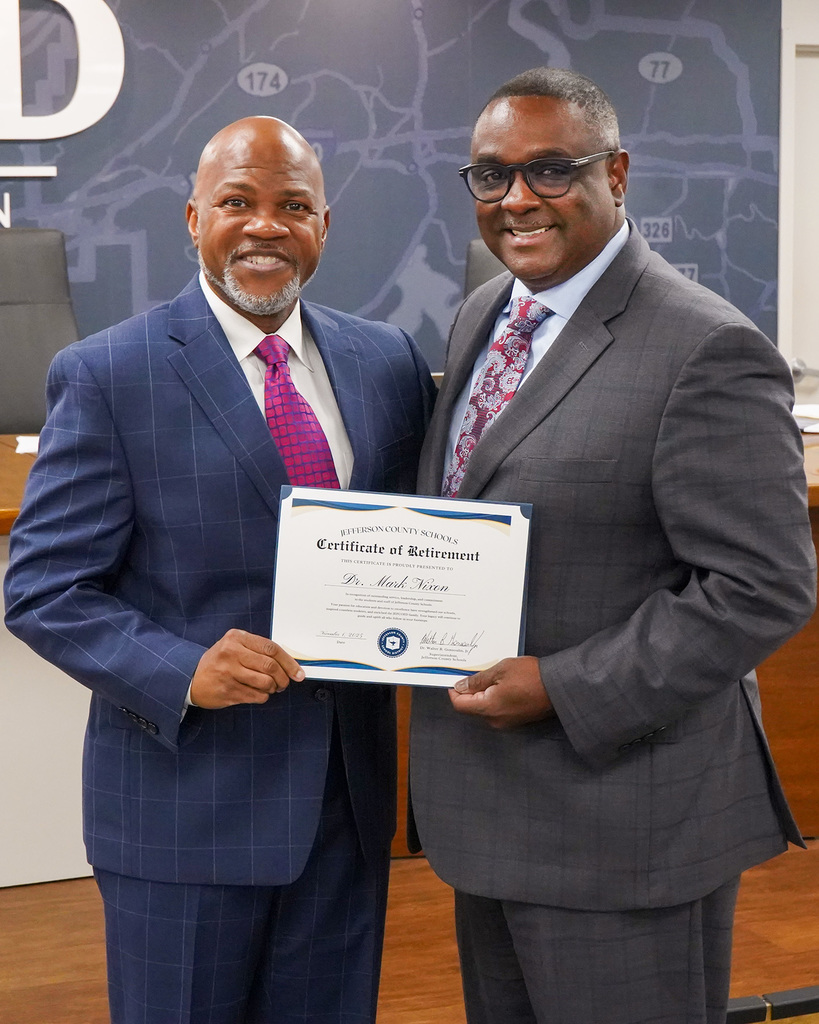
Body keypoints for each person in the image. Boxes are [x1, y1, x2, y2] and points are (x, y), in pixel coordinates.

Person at [4, 115, 436, 1024]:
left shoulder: (387, 361)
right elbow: (42, 588)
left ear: (324, 226)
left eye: (293, 206)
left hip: (345, 812)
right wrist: (183, 669)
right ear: (194, 217)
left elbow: (424, 541)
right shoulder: (109, 374)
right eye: (237, 202)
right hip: (185, 814)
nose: (265, 226)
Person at [409, 67, 816, 1024]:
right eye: (491, 175)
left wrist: (562, 687)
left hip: (624, 825)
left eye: (551, 169)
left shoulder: (705, 346)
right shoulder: (481, 315)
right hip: (488, 812)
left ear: (617, 174)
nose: (517, 198)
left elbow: (763, 586)